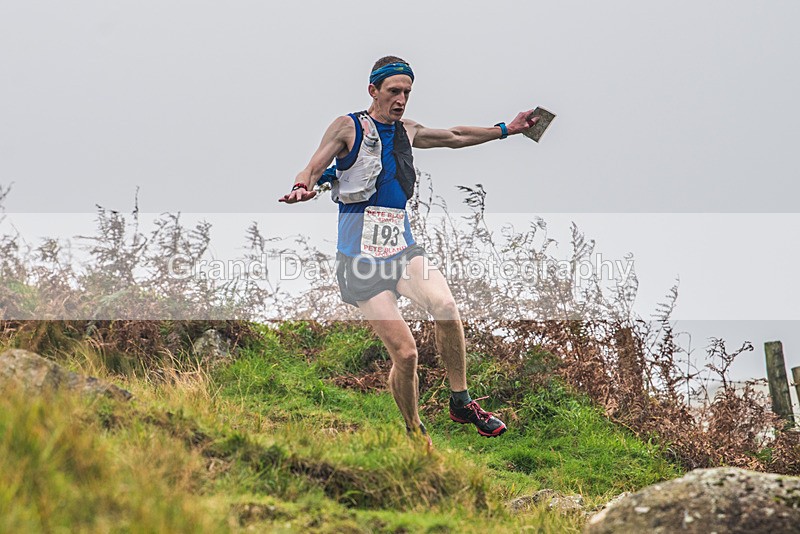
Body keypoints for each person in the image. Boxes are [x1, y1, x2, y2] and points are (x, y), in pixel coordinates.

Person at [280, 56, 539, 443]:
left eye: (407, 92)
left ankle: (461, 400)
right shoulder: (348, 127)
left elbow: (454, 136)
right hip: (360, 262)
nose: (401, 99)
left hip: (401, 251)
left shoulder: (407, 129)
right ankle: (415, 430)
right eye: (393, 91)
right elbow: (313, 167)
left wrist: (507, 129)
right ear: (374, 91)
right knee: (406, 355)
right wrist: (303, 185)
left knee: (446, 307)